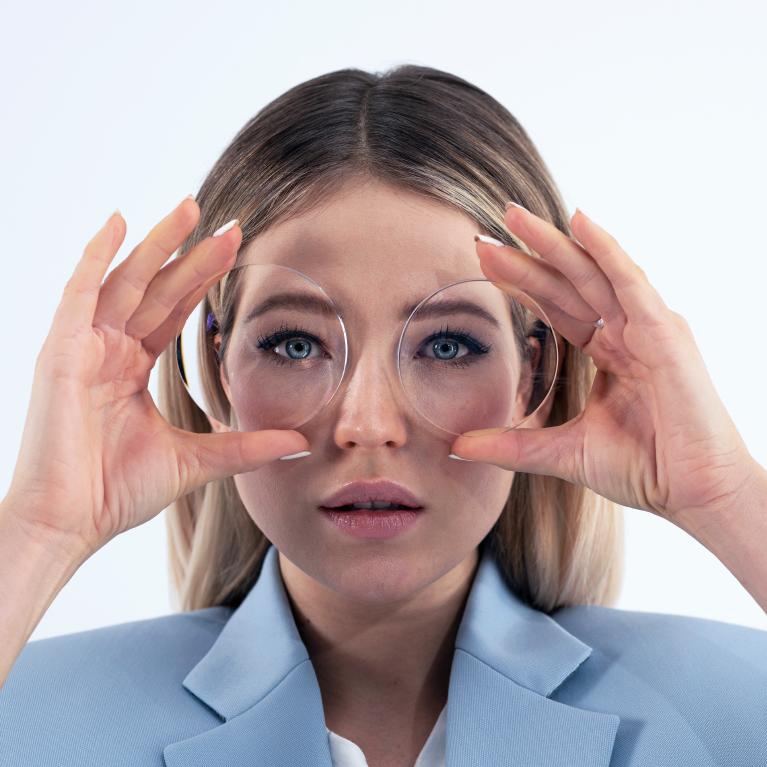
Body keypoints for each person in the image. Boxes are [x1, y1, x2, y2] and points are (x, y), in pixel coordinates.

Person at [0, 64, 766, 767]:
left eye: (448, 344)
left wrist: (726, 496)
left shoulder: (735, 706)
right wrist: (38, 530)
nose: (366, 423)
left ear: (532, 371)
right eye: (295, 342)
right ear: (219, 370)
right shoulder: (28, 716)